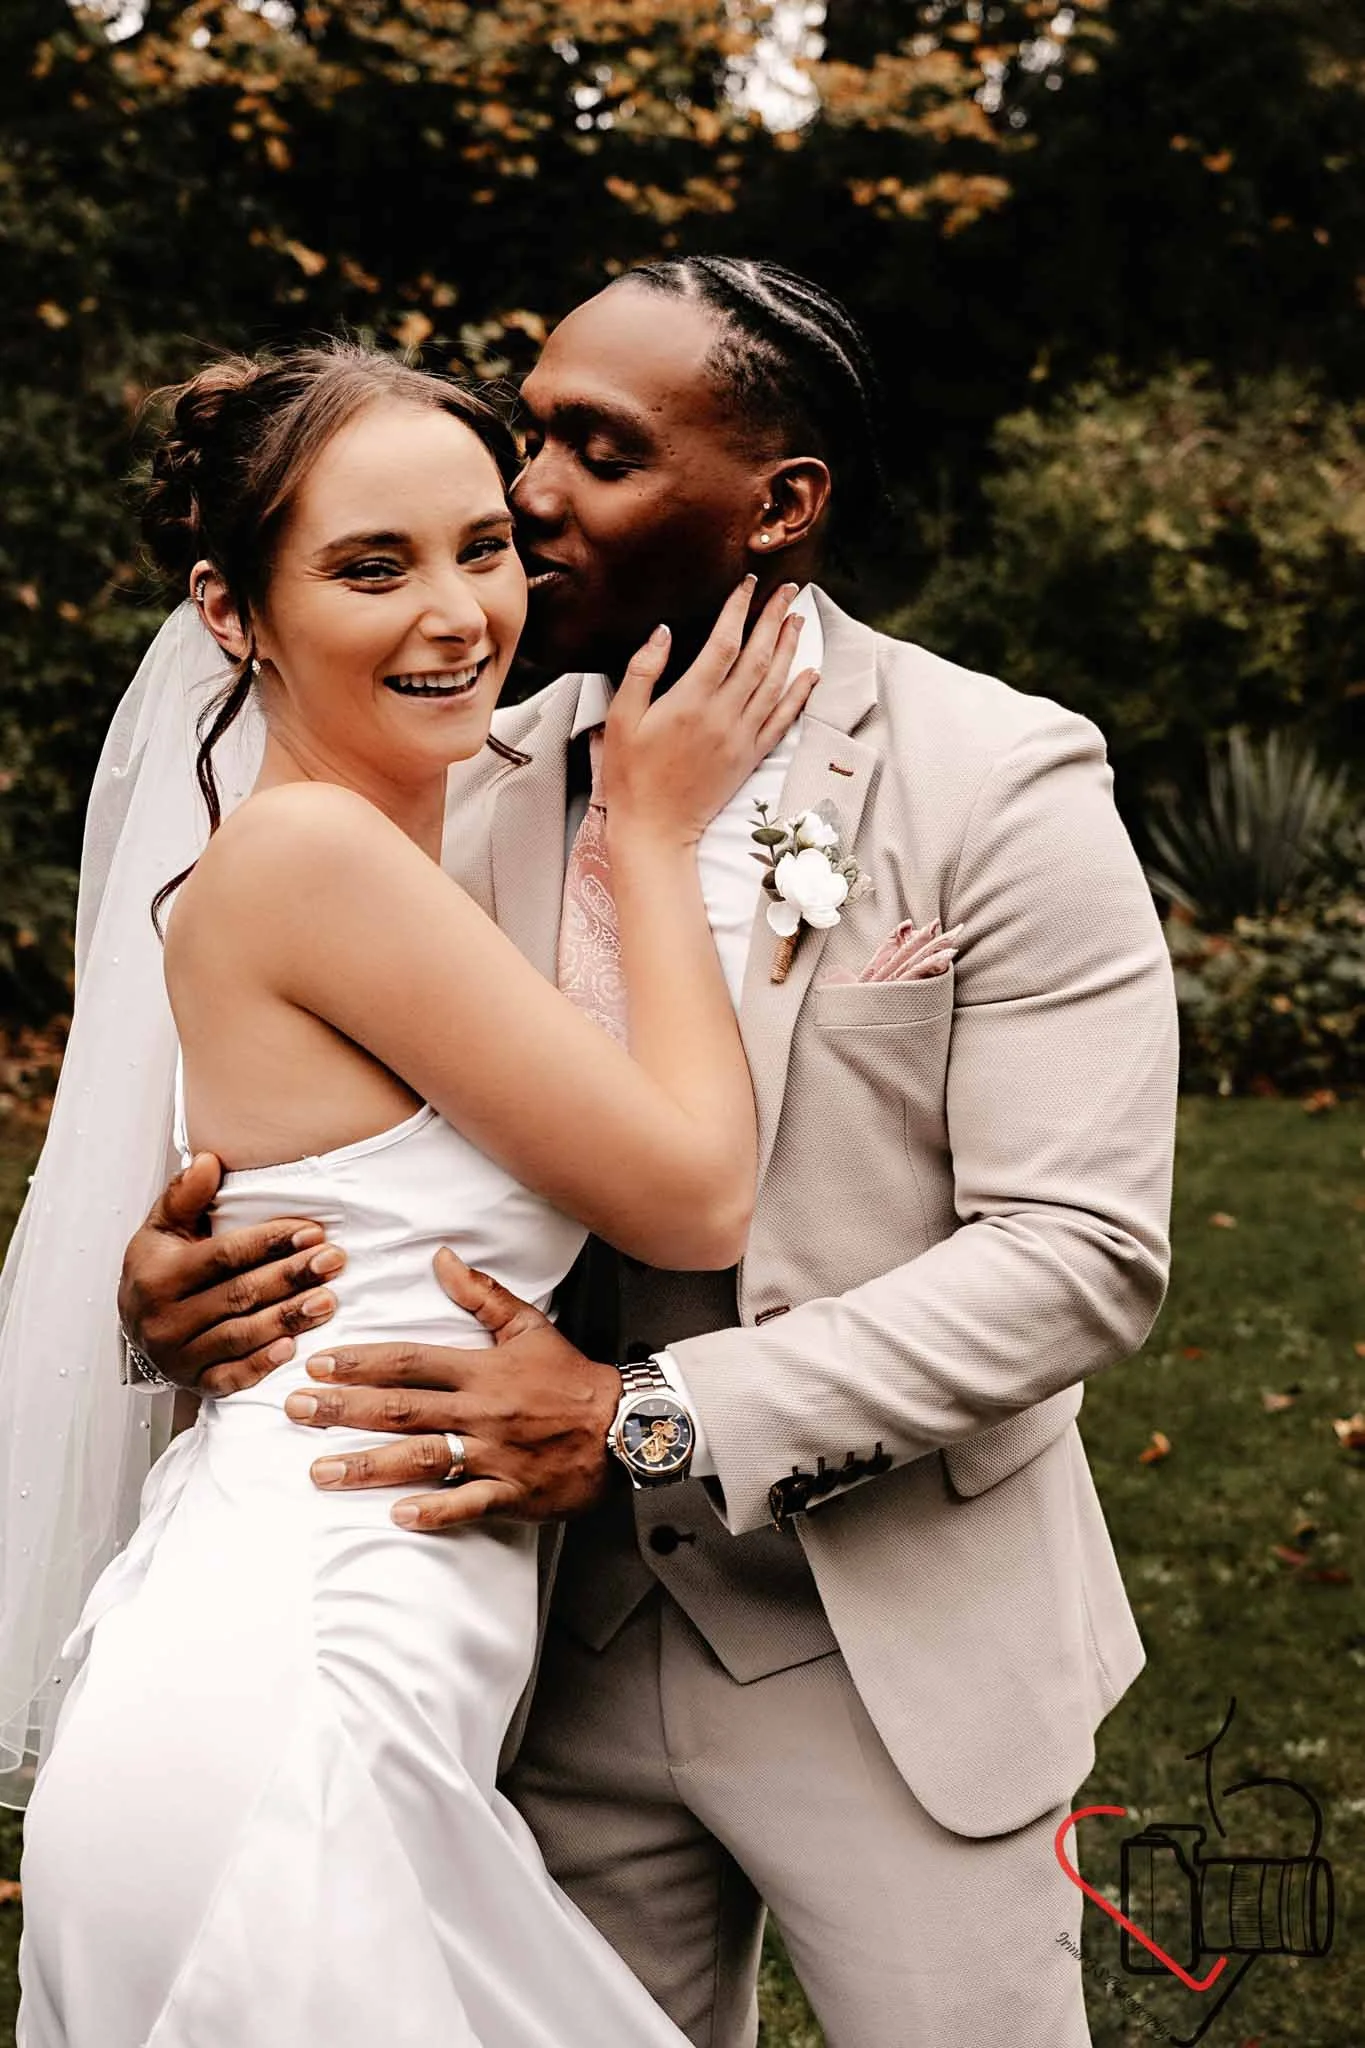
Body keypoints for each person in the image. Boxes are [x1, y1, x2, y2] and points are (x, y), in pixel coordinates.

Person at [116, 260, 1179, 2048]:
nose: (525, 495)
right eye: (529, 431)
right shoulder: (462, 764)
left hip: (890, 1653)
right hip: (540, 1659)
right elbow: (326, 1098)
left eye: (595, 451)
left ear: (781, 504)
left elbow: (1077, 1254)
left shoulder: (995, 777)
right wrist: (179, 1286)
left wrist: (650, 1420)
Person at [9, 340, 818, 2048]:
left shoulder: (391, 841)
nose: (460, 612)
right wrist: (655, 840)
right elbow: (691, 1197)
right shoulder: (312, 858)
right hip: (304, 1704)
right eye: (373, 567)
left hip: (355, 1680)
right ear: (232, 614)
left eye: (480, 544)